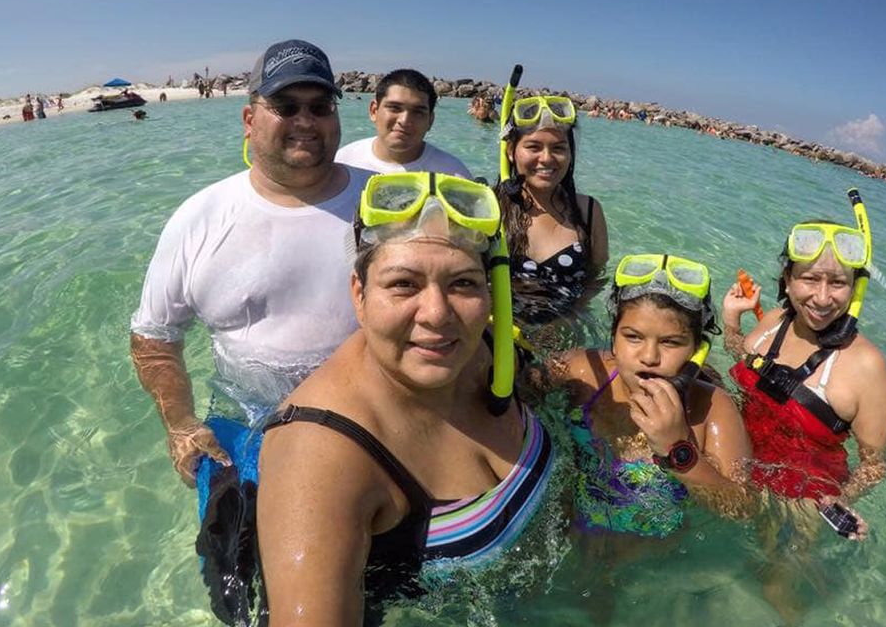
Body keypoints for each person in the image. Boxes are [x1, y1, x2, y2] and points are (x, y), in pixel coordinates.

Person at [256, 172, 562, 625]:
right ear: (359, 294)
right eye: (403, 284)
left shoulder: (483, 350)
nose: (437, 314)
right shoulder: (320, 456)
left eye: (463, 283)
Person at [130, 39, 372, 485]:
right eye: (286, 106)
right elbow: (154, 337)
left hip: (373, 421)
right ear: (249, 120)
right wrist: (181, 425)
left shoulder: (387, 204)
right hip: (245, 426)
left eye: (320, 106)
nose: (305, 121)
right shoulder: (199, 217)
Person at [721, 194, 886, 623]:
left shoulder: (865, 366)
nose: (822, 297)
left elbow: (875, 465)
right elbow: (744, 363)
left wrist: (836, 501)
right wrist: (731, 321)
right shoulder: (775, 321)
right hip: (740, 466)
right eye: (809, 279)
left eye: (837, 283)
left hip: (798, 500)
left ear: (855, 287)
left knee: (775, 590)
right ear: (787, 278)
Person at [545, 254, 751, 537]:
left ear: (695, 349)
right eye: (633, 337)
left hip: (650, 551)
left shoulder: (711, 409)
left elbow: (741, 509)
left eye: (671, 342)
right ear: (614, 338)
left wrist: (677, 449)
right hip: (570, 534)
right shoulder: (582, 372)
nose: (649, 357)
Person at [496, 95, 609, 332]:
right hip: (497, 331)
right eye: (533, 147)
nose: (546, 158)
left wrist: (563, 322)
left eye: (558, 148)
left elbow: (596, 278)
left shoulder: (588, 212)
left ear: (570, 153)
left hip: (564, 333)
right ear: (511, 151)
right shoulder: (491, 205)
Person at [336, 69, 471, 177]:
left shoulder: (453, 175)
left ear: (430, 121)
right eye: (395, 108)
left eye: (418, 112)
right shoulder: (343, 163)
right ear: (374, 111)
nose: (404, 120)